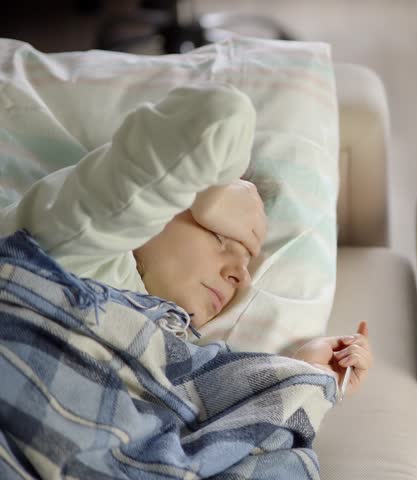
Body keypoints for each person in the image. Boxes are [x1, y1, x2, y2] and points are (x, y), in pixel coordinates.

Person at [0, 83, 372, 395]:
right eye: (221, 236)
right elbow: (221, 114)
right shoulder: (80, 234)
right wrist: (212, 194)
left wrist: (306, 373)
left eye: (246, 264)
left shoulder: (174, 345)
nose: (242, 278)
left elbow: (200, 423)